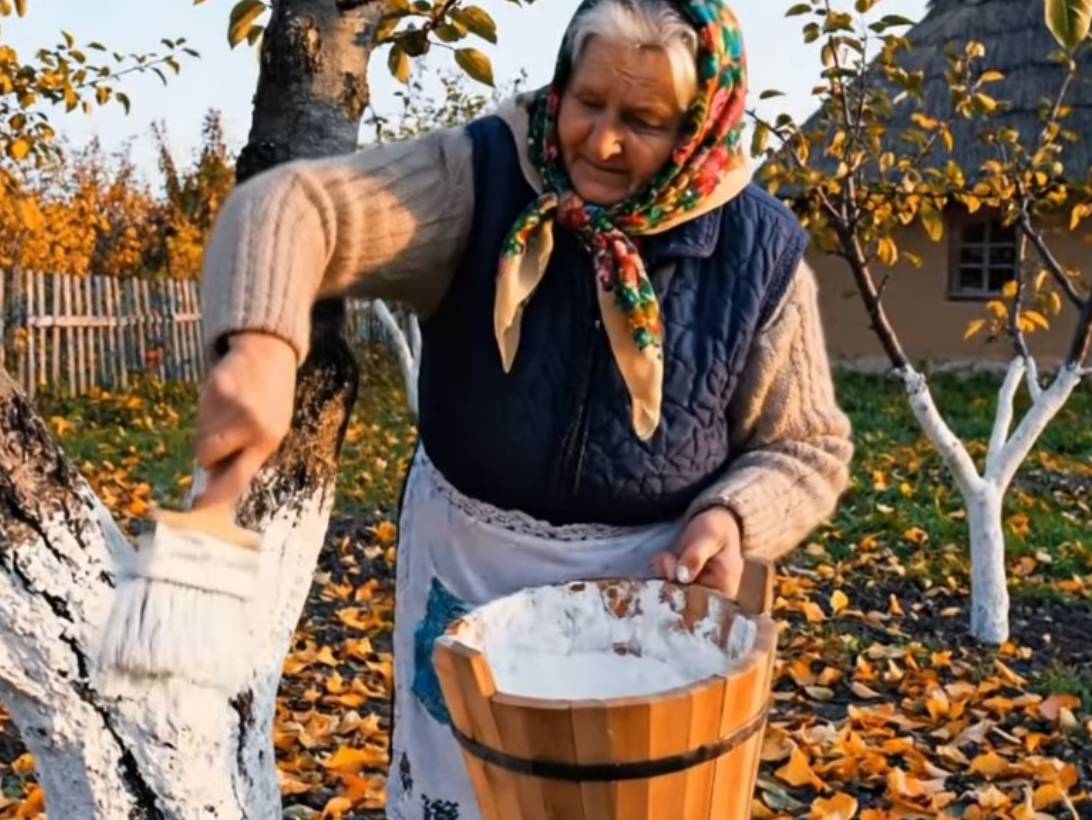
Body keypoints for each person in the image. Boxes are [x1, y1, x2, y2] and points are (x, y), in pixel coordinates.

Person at [194, 0, 853, 816]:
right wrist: (262, 344)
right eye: (587, 103)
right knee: (465, 792)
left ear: (696, 125)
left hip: (645, 603)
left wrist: (734, 520)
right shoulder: (483, 176)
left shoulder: (755, 250)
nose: (601, 142)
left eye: (643, 121)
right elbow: (294, 208)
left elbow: (806, 445)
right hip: (468, 573)